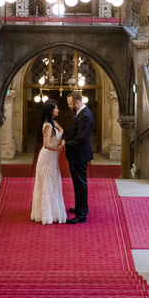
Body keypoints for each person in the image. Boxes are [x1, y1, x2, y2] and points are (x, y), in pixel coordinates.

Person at [30, 99, 67, 225]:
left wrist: (61, 143)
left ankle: (54, 210)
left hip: (53, 158)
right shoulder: (48, 125)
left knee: (53, 183)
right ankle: (46, 213)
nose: (58, 110)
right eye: (55, 108)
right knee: (47, 183)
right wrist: (59, 148)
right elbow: (46, 144)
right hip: (46, 158)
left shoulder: (54, 122)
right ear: (50, 110)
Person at [63, 90, 93, 224]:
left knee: (80, 184)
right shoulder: (79, 112)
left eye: (70, 104)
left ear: (77, 102)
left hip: (79, 155)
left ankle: (81, 215)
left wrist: (66, 145)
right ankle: (81, 207)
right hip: (76, 155)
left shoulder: (85, 116)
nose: (69, 106)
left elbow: (81, 138)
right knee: (78, 184)